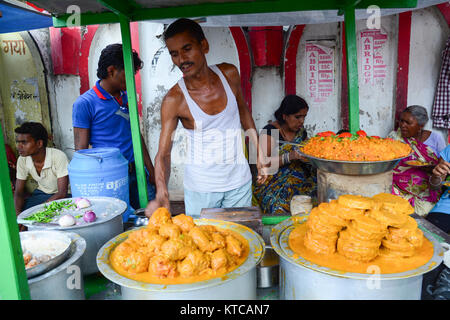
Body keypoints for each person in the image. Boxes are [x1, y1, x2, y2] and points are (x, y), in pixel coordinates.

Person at [145, 18, 267, 218]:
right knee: (206, 245)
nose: (181, 60)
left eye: (187, 49)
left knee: (240, 241)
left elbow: (243, 111)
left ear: (204, 45)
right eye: (174, 54)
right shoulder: (174, 99)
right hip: (202, 190)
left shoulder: (229, 74)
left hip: (239, 183)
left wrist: (258, 151)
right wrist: (161, 191)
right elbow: (164, 154)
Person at [72, 43, 156, 210]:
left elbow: (136, 135)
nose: (132, 78)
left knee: (151, 219)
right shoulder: (85, 103)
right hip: (112, 179)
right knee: (121, 224)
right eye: (129, 74)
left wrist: (151, 171)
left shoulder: (128, 97)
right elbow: (81, 151)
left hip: (138, 173)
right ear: (111, 71)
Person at [253, 95, 317, 215]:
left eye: (304, 117)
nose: (301, 121)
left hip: (299, 180)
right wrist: (290, 156)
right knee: (281, 204)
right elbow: (263, 163)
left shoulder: (301, 132)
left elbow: (308, 150)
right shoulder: (270, 131)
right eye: (297, 117)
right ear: (285, 116)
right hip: (273, 184)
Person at [388, 106, 444, 216]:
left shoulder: (436, 139)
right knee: (390, 206)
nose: (402, 125)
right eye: (401, 121)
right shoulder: (395, 136)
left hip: (427, 186)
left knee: (424, 211)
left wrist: (432, 168)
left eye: (408, 123)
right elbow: (386, 160)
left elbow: (443, 165)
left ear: (420, 126)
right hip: (398, 185)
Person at [14, 122, 70, 215]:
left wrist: (39, 212)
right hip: (41, 194)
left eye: (24, 142)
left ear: (39, 143)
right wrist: (18, 213)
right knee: (24, 217)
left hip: (64, 196)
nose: (19, 147)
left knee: (46, 218)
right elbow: (19, 191)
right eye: (18, 142)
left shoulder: (58, 156)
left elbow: (62, 193)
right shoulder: (22, 159)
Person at [428, 145, 450, 233]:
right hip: (446, 207)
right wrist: (436, 176)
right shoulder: (449, 150)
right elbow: (434, 187)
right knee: (428, 238)